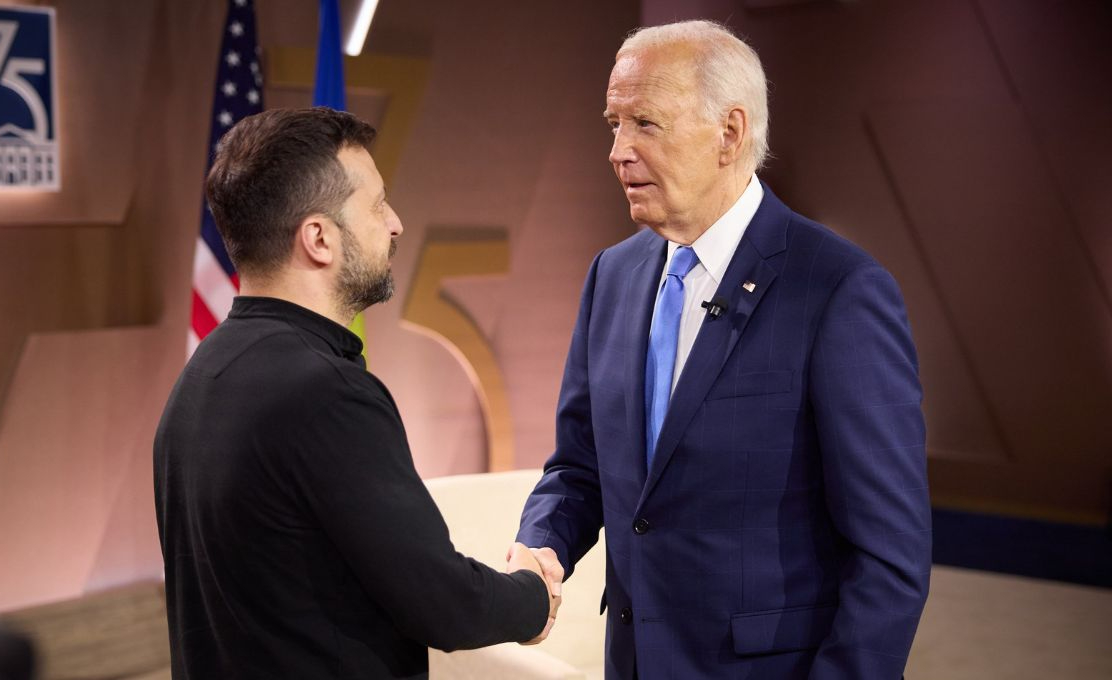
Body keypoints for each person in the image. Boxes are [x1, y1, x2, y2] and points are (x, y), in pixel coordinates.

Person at [514, 20, 931, 679]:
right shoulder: (612, 276)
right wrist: (542, 543)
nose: (618, 151)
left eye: (645, 123)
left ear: (729, 134)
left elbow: (889, 555)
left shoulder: (839, 290)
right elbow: (580, 466)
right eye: (612, 124)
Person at [154, 107, 557, 680]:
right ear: (318, 238)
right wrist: (533, 598)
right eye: (376, 205)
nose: (394, 224)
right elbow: (442, 604)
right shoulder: (326, 393)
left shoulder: (201, 376)